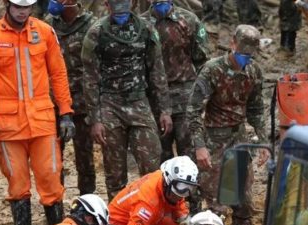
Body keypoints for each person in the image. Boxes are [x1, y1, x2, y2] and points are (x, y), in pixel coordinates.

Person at [0, 0, 75, 225]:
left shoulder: (44, 32)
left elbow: (59, 74)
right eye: (18, 6)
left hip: (42, 122)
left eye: (27, 7)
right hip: (8, 126)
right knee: (18, 185)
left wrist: (65, 112)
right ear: (7, 5)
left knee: (51, 181)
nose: (22, 11)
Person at [186, 25, 265, 225]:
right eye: (242, 53)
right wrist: (199, 146)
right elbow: (193, 111)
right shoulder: (212, 70)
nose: (244, 59)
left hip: (238, 139)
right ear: (232, 44)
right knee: (215, 200)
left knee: (242, 197)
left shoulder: (253, 72)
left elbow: (256, 110)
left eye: (249, 55)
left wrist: (264, 141)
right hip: (213, 138)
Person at [81, 0, 172, 200]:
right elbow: (90, 79)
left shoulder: (145, 29)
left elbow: (157, 70)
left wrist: (164, 110)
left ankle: (153, 208)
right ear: (107, 5)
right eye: (116, 5)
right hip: (110, 104)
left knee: (151, 161)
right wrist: (95, 119)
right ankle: (117, 217)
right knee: (115, 171)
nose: (121, 10)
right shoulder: (96, 33)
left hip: (139, 101)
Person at [141, 0, 209, 163]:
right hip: (154, 99)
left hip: (185, 96)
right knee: (159, 156)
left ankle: (190, 189)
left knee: (189, 154)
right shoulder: (141, 25)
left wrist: (204, 97)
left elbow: (202, 62)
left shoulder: (189, 20)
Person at [49, 0, 98, 195]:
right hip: (54, 103)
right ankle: (55, 202)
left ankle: (87, 199)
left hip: (82, 102)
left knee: (85, 157)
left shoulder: (91, 25)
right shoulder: (49, 25)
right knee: (53, 157)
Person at [107, 155, 197, 225]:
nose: (180, 196)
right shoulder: (147, 202)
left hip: (147, 224)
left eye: (189, 188)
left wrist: (183, 218)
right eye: (177, 192)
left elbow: (179, 201)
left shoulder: (169, 184)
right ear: (167, 181)